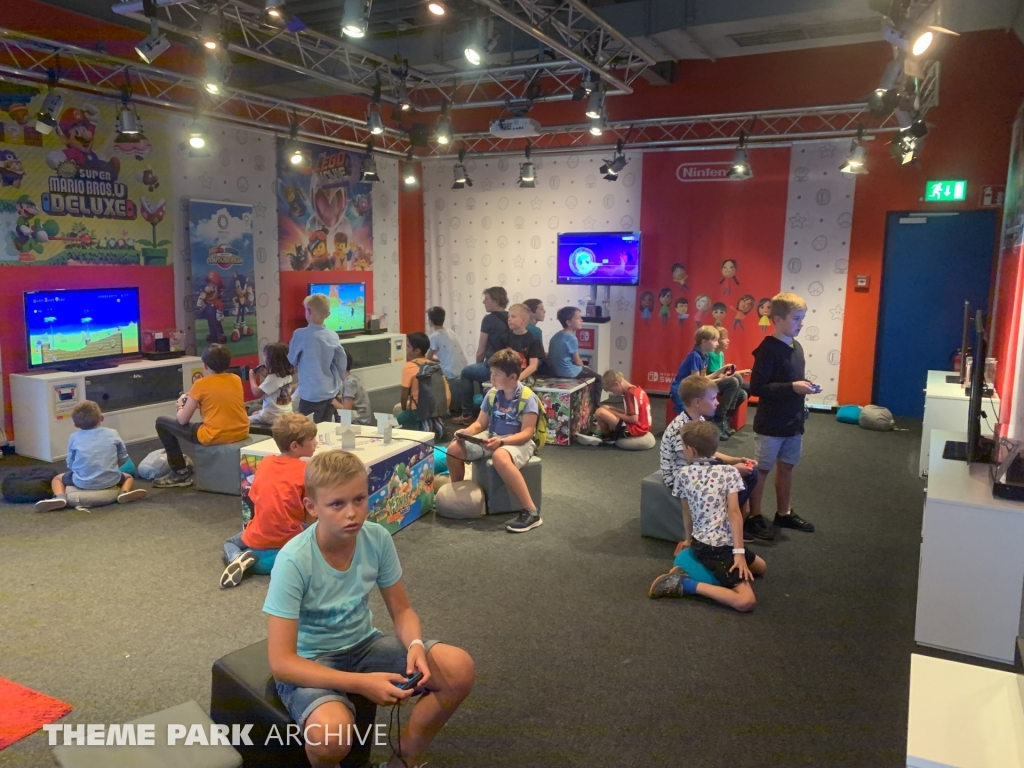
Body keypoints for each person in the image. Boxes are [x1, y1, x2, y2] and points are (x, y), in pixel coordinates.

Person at [264, 450, 475, 768]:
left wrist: (415, 645)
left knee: (459, 668)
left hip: (364, 644)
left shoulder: (377, 538)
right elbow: (282, 662)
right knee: (331, 737)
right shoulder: (293, 560)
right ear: (312, 507)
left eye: (359, 499)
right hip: (312, 659)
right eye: (337, 504)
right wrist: (362, 683)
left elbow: (402, 611)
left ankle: (403, 761)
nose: (352, 513)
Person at [649, 421, 767, 612]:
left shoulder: (683, 474)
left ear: (691, 450)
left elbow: (687, 512)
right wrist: (690, 542)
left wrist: (737, 553)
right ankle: (685, 584)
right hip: (716, 548)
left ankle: (699, 570)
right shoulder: (730, 471)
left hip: (721, 543)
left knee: (761, 567)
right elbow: (735, 512)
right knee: (746, 601)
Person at [446, 349, 543, 534]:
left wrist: (502, 443)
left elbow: (527, 433)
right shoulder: (492, 394)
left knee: (500, 456)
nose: (492, 378)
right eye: (491, 373)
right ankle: (458, 499)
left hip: (518, 442)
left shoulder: (528, 397)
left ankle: (531, 511)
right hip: (493, 436)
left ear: (513, 376)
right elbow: (480, 424)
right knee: (454, 449)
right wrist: (466, 432)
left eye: (497, 374)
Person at [745, 292, 817, 541]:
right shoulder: (767, 350)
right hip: (771, 424)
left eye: (802, 318)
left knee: (786, 467)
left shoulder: (797, 347)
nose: (801, 323)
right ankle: (754, 517)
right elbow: (757, 388)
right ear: (777, 319)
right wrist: (792, 387)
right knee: (762, 469)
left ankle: (783, 513)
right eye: (796, 318)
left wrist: (806, 385)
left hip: (793, 422)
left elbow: (791, 380)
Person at [660, 375, 758, 550]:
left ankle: (728, 521)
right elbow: (691, 464)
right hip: (680, 475)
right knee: (737, 481)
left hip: (696, 467)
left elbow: (706, 453)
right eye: (713, 398)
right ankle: (723, 524)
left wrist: (736, 460)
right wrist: (730, 471)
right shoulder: (681, 429)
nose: (717, 402)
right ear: (697, 402)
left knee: (750, 473)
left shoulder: (698, 420)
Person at [221, 413, 318, 588]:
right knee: (310, 532)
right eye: (312, 439)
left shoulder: (265, 463)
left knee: (230, 543)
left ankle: (236, 557)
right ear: (295, 446)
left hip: (258, 532)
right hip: (288, 536)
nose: (316, 443)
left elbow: (254, 498)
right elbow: (310, 514)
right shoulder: (306, 470)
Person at [153, 344, 249, 488]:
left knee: (161, 422)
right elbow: (218, 402)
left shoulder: (201, 384)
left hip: (215, 435)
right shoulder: (235, 379)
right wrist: (196, 403)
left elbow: (182, 419)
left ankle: (180, 472)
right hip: (241, 431)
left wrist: (180, 406)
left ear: (205, 365)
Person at [35, 400, 147, 511]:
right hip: (110, 479)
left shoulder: (74, 437)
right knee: (128, 477)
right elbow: (123, 457)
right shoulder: (113, 433)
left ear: (75, 424)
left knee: (57, 479)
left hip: (81, 482)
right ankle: (124, 492)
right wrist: (112, 467)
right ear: (101, 418)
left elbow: (70, 464)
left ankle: (59, 497)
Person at [669, 325, 740, 441]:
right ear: (704, 341)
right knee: (689, 414)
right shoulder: (695, 356)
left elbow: (703, 378)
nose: (717, 343)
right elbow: (696, 383)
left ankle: (719, 421)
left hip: (692, 387)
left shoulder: (704, 356)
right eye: (714, 340)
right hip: (681, 390)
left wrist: (720, 371)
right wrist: (720, 380)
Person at [453, 287, 509, 425]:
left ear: (496, 301)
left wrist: (479, 362)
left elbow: (481, 350)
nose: (484, 302)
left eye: (487, 298)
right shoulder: (511, 317)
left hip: (492, 366)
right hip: (508, 366)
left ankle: (467, 414)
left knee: (466, 372)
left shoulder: (489, 319)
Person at [289, 293, 347, 424]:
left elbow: (292, 359)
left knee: (308, 429)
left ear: (308, 311)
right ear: (328, 314)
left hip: (310, 393)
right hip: (329, 391)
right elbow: (341, 363)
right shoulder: (333, 335)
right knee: (325, 426)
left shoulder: (300, 335)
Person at [548, 306, 602, 411]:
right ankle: (596, 407)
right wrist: (585, 368)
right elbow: (577, 361)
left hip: (556, 370)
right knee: (599, 379)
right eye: (578, 318)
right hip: (569, 372)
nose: (581, 320)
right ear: (568, 322)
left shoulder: (556, 336)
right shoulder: (571, 338)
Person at [577, 370, 651, 446]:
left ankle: (606, 436)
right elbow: (633, 414)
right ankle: (598, 433)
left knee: (600, 412)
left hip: (634, 430)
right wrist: (611, 409)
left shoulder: (630, 394)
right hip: (642, 427)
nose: (614, 394)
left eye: (612, 390)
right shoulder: (636, 390)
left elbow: (634, 419)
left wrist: (613, 412)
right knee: (606, 407)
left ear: (616, 384)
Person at [398, 332, 450, 437]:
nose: (406, 349)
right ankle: (433, 423)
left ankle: (414, 429)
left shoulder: (409, 366)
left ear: (417, 350)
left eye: (408, 346)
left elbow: (404, 396)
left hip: (418, 410)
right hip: (439, 408)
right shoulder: (435, 365)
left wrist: (405, 410)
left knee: (397, 413)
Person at [706, 327, 750, 433]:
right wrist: (737, 374)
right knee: (735, 381)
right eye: (724, 338)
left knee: (744, 392)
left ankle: (727, 417)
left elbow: (723, 373)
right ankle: (719, 417)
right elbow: (716, 376)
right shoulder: (710, 354)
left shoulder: (721, 354)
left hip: (721, 381)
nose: (728, 340)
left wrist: (740, 372)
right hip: (712, 383)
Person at [426, 305, 467, 412]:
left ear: (430, 321)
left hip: (451, 373)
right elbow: (447, 352)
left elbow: (427, 359)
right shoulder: (450, 332)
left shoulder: (434, 337)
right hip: (462, 369)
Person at [248, 342, 295, 428]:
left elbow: (257, 393)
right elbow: (276, 387)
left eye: (265, 356)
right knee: (255, 411)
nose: (263, 358)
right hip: (285, 414)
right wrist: (267, 376)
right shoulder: (287, 375)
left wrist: (252, 378)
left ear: (271, 360)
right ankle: (261, 413)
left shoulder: (272, 378)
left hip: (272, 417)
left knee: (244, 420)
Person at [502, 303, 545, 382]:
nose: (509, 319)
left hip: (526, 376)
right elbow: (500, 361)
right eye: (509, 316)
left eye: (513, 316)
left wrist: (517, 379)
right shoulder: (504, 338)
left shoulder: (533, 340)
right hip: (507, 375)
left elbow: (533, 366)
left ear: (523, 320)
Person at [332, 356, 373, 426]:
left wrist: (331, 400)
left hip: (357, 422)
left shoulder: (349, 383)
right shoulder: (352, 379)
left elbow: (346, 412)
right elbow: (351, 400)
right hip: (362, 419)